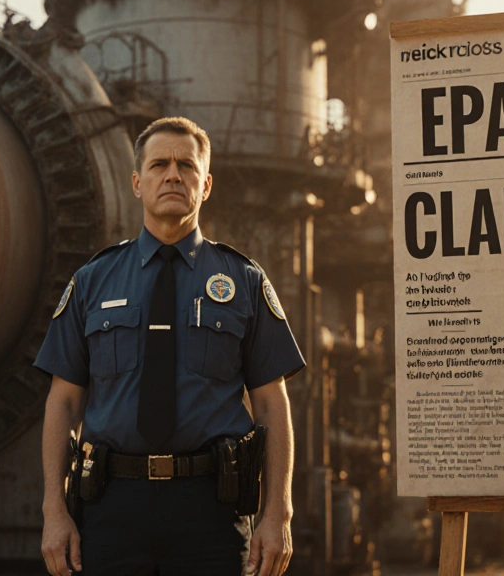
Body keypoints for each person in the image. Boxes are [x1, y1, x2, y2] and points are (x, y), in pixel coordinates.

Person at [36, 117, 305, 576]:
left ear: (206, 185)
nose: (173, 175)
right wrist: (54, 512)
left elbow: (271, 404)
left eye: (187, 166)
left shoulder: (243, 281)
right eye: (159, 164)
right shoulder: (92, 281)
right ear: (138, 183)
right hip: (111, 506)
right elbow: (63, 402)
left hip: (211, 511)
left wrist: (278, 512)